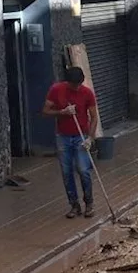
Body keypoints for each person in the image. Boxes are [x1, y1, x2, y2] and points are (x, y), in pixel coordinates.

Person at [42, 67, 98, 219]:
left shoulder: (87, 93)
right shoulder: (56, 90)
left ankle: (89, 203)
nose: (77, 88)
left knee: (83, 170)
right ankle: (74, 205)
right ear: (68, 82)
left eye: (79, 84)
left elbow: (94, 117)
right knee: (66, 172)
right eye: (74, 85)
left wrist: (90, 139)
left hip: (81, 136)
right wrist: (62, 112)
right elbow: (45, 111)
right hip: (63, 136)